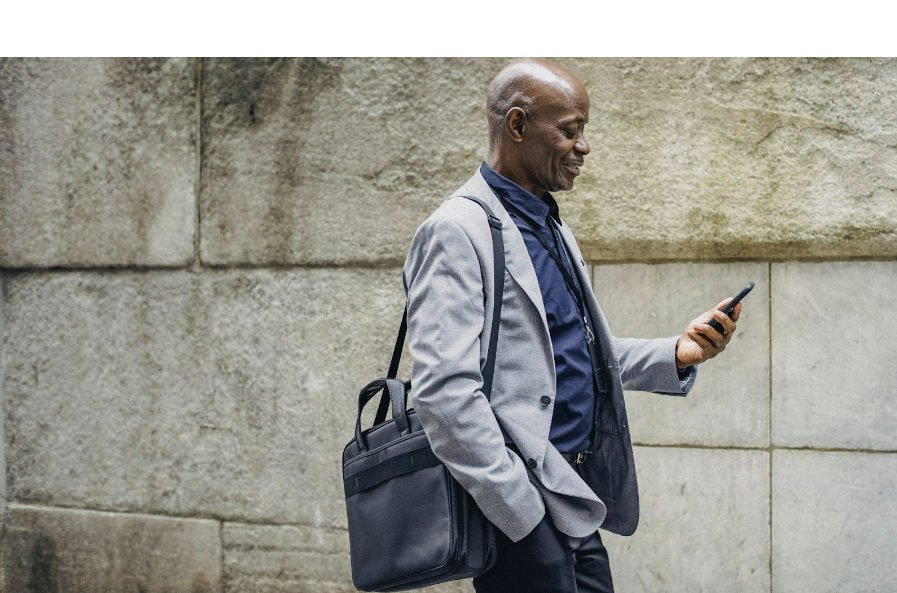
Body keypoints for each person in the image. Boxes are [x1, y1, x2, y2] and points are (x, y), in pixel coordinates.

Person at [401, 57, 741, 593]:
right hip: (523, 508)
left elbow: (570, 353)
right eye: (570, 130)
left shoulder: (550, 224)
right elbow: (444, 393)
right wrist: (523, 516)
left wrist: (678, 351)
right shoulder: (455, 231)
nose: (584, 146)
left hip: (574, 498)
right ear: (516, 125)